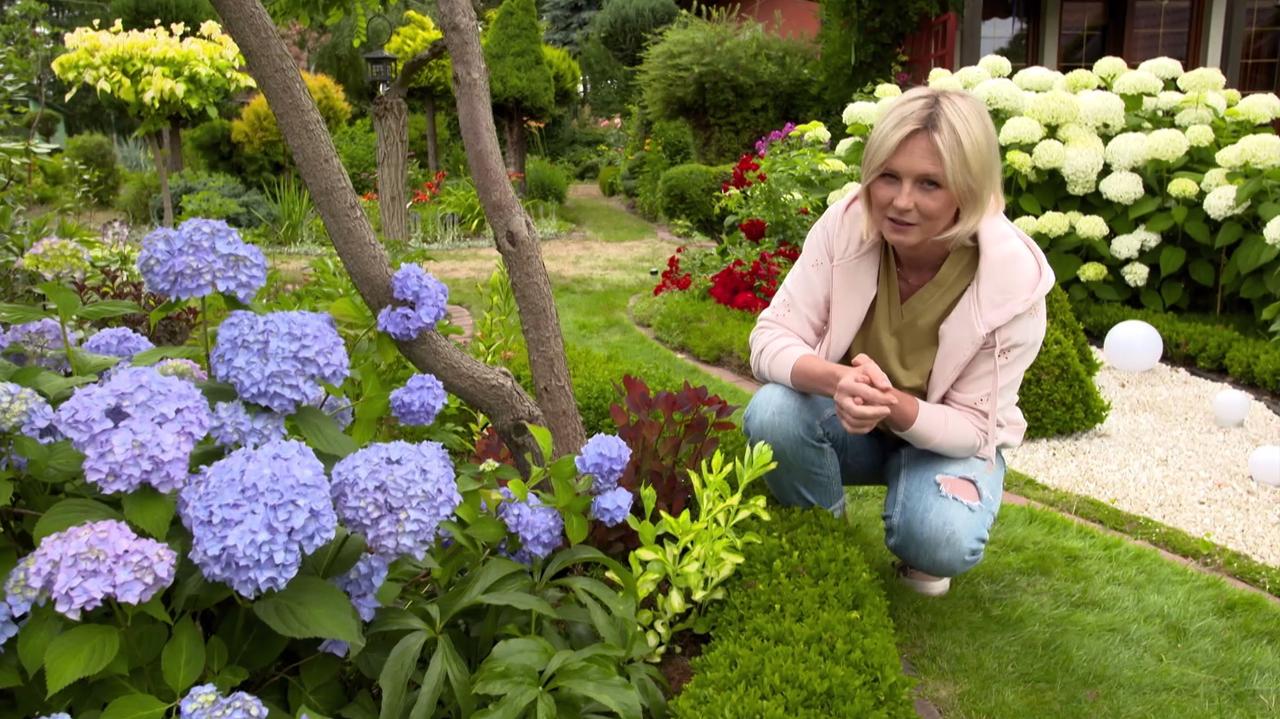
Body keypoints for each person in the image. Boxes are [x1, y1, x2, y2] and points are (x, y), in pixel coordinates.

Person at [743, 87, 1053, 597]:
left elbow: (978, 429)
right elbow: (770, 337)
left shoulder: (1012, 281)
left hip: (944, 443)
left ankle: (921, 548)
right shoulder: (846, 226)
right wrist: (838, 380)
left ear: (968, 189)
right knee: (774, 411)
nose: (900, 202)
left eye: (930, 183)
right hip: (848, 425)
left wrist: (895, 407)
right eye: (888, 176)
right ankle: (827, 545)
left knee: (939, 538)